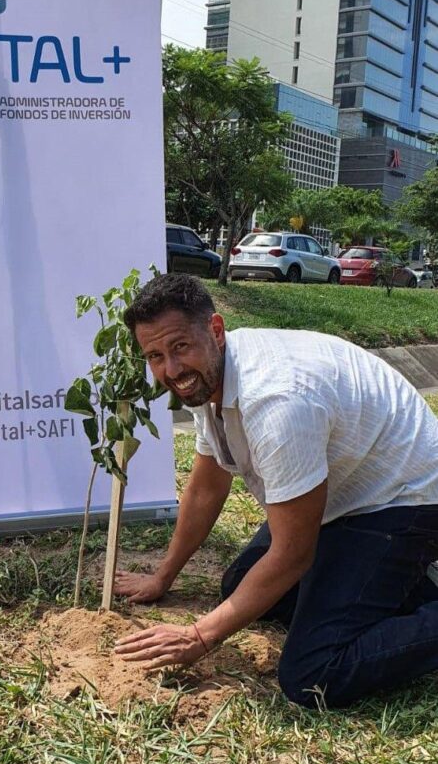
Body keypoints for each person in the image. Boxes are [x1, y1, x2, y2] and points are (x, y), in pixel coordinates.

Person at [114, 273, 438, 709]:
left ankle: (399, 578)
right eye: (155, 356)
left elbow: (293, 553)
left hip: (405, 498)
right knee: (241, 586)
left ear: (215, 330)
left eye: (180, 347)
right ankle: (395, 583)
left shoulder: (275, 402)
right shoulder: (212, 378)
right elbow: (207, 486)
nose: (171, 371)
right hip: (344, 492)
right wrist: (163, 576)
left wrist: (199, 636)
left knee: (314, 673)